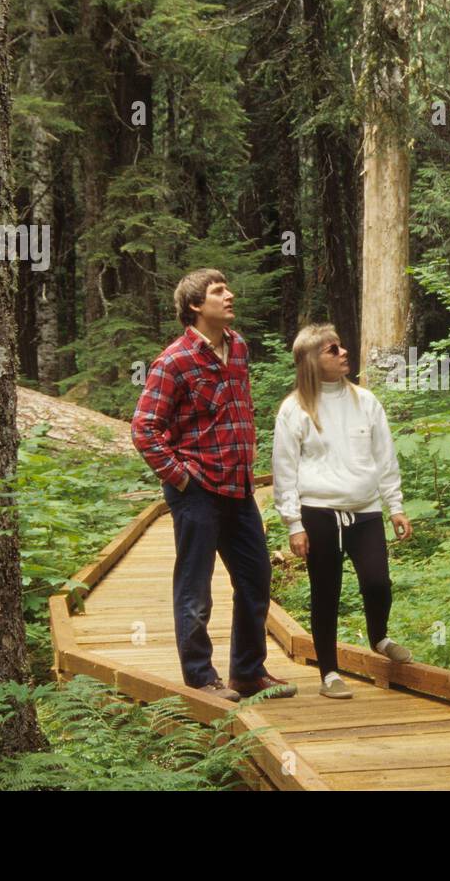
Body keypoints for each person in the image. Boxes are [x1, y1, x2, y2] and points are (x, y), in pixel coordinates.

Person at [131, 269, 296, 701]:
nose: (229, 296)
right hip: (198, 491)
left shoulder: (238, 346)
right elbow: (145, 429)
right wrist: (181, 478)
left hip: (239, 489)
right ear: (194, 306)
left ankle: (248, 672)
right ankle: (202, 679)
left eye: (227, 289)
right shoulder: (174, 361)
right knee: (195, 587)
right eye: (218, 292)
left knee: (256, 578)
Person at [271, 324, 414, 699]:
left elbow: (385, 457)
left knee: (377, 582)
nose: (343, 353)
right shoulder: (294, 409)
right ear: (311, 361)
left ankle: (379, 637)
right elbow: (284, 469)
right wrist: (294, 524)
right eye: (332, 350)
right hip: (318, 512)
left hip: (365, 509)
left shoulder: (366, 401)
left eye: (341, 346)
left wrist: (395, 506)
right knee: (326, 592)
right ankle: (329, 673)